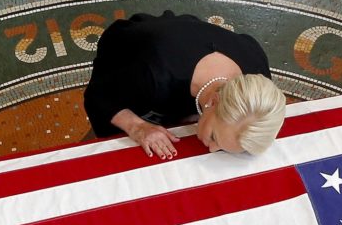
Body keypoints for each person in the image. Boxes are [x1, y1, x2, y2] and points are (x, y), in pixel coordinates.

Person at [84, 11, 286, 159]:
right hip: (129, 57)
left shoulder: (258, 78)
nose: (212, 149)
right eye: (214, 137)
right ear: (213, 101)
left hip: (181, 52)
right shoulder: (153, 74)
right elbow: (98, 96)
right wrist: (137, 127)